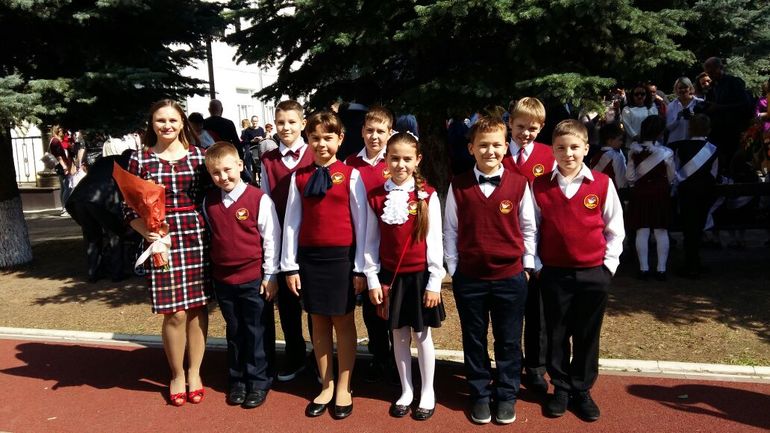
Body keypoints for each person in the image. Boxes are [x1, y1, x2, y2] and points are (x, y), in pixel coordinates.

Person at [443, 116, 536, 425]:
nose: (490, 151)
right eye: (483, 145)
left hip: (510, 277)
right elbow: (450, 230)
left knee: (509, 340)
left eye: (497, 145)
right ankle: (480, 393)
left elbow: (528, 228)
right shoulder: (458, 184)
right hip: (470, 278)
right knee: (474, 339)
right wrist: (454, 268)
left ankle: (507, 394)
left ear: (506, 147)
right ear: (471, 148)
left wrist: (527, 266)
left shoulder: (519, 184)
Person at [533, 119, 624, 422]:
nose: (568, 153)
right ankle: (560, 387)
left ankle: (581, 389)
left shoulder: (602, 184)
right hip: (554, 274)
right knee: (556, 332)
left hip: (592, 274)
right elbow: (531, 229)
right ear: (552, 150)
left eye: (574, 147)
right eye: (561, 148)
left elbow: (615, 229)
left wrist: (607, 268)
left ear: (586, 148)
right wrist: (539, 267)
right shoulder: (540, 185)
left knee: (587, 333)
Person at [125, 99, 212, 406]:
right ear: (152, 124)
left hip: (196, 236)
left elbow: (213, 196)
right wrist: (145, 230)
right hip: (161, 238)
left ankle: (195, 372)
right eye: (161, 120)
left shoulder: (200, 156)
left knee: (197, 308)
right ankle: (176, 374)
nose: (167, 126)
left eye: (173, 120)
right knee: (174, 312)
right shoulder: (140, 159)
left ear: (182, 123)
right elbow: (128, 206)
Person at [281, 111, 368, 419]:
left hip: (342, 259)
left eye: (328, 138)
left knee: (343, 322)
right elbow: (292, 222)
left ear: (340, 139)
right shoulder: (299, 177)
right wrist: (289, 266)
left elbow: (362, 224)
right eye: (315, 138)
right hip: (310, 260)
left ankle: (344, 385)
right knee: (318, 321)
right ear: (308, 139)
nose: (321, 144)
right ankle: (326, 384)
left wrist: (360, 267)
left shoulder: (351, 175)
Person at [365, 131, 445, 421]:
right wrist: (372, 278)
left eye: (407, 159)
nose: (400, 164)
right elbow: (369, 241)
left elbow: (435, 243)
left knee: (421, 336)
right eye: (394, 158)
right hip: (391, 277)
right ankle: (407, 390)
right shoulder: (376, 196)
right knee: (398, 335)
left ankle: (428, 391)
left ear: (418, 160)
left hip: (420, 278)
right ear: (385, 160)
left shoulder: (428, 195)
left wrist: (435, 282)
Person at [203, 142, 280, 409]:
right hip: (224, 280)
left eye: (227, 169)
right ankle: (238, 379)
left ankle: (259, 380)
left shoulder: (258, 199)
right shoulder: (209, 202)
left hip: (253, 279)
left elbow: (271, 240)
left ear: (240, 165)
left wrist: (270, 275)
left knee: (257, 330)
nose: (223, 177)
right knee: (235, 331)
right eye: (216, 173)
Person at [501, 97, 554, 395]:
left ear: (541, 127)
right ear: (510, 123)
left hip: (541, 245)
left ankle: (535, 367)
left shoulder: (549, 155)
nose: (525, 133)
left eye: (532, 128)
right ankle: (510, 363)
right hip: (505, 242)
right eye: (520, 126)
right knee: (509, 313)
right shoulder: (496, 152)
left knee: (538, 311)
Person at [260, 100, 314, 382]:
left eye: (292, 122)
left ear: (303, 124)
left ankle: (320, 359)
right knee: (289, 306)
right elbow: (265, 203)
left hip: (314, 241)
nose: (286, 127)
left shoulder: (316, 152)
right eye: (281, 122)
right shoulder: (268, 161)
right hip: (282, 240)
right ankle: (295, 355)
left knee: (315, 305)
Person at [344, 106, 396, 383]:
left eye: (380, 131)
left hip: (391, 244)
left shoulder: (396, 160)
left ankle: (397, 358)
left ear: (390, 132)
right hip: (360, 243)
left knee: (391, 304)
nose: (374, 136)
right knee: (369, 305)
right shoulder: (350, 163)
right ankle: (379, 355)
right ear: (362, 131)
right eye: (370, 131)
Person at [626, 115, 676, 281]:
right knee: (661, 230)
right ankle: (661, 270)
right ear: (660, 133)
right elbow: (671, 177)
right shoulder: (667, 153)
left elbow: (630, 177)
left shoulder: (633, 151)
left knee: (642, 230)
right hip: (660, 192)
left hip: (641, 192)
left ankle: (644, 269)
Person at [674, 115, 718, 278]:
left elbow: (676, 172)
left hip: (686, 192)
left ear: (690, 129)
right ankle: (695, 261)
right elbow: (714, 174)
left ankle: (689, 262)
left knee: (688, 227)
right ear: (708, 129)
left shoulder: (681, 147)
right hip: (704, 192)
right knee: (699, 227)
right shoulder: (713, 149)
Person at [702, 57, 754, 170]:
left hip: (733, 131)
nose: (710, 76)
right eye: (708, 73)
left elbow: (745, 104)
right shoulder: (713, 87)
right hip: (718, 132)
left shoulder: (734, 82)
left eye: (712, 72)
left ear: (720, 68)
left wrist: (719, 108)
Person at [590, 123, 627, 190]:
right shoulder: (616, 156)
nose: (621, 142)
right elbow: (621, 183)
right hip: (612, 191)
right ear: (610, 141)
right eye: (620, 140)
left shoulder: (596, 155)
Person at [666, 77, 702, 144]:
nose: (683, 90)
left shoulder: (699, 102)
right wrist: (678, 118)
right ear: (676, 89)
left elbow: (705, 125)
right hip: (675, 142)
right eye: (680, 88)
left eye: (685, 87)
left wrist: (695, 117)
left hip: (694, 142)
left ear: (690, 88)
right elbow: (668, 127)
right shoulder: (671, 105)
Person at [49, 124, 74, 216]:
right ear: (57, 131)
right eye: (61, 131)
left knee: (63, 187)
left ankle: (63, 208)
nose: (63, 133)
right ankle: (65, 209)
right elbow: (58, 156)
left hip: (61, 165)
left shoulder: (55, 140)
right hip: (61, 166)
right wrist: (64, 166)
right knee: (67, 187)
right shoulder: (55, 141)